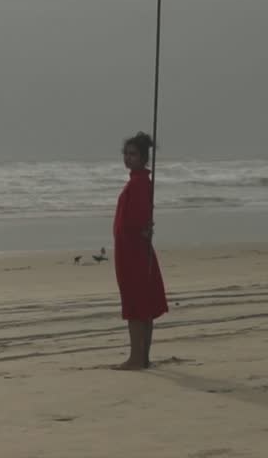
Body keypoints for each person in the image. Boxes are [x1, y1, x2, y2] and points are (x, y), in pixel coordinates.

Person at [112, 131, 169, 370]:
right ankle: (142, 356)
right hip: (132, 249)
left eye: (133, 154)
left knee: (136, 305)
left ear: (144, 157)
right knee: (141, 303)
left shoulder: (139, 183)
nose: (128, 158)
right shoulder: (139, 182)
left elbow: (136, 221)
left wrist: (144, 230)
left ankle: (137, 358)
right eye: (126, 153)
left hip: (133, 252)